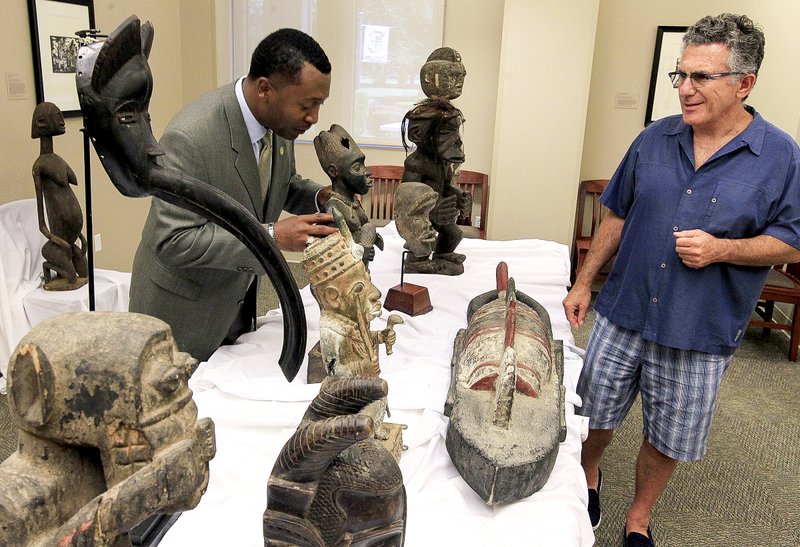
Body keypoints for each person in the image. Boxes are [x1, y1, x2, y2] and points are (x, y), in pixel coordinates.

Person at [562, 13, 800, 547]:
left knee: (669, 436)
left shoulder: (780, 156)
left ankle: (640, 517)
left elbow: (793, 239)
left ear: (744, 83)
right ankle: (590, 476)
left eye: (701, 78)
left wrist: (723, 250)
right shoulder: (654, 138)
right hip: (623, 312)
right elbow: (617, 214)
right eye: (681, 75)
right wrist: (583, 282)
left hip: (699, 327)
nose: (686, 90)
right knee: (594, 412)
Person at [129, 28, 337, 362]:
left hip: (234, 303)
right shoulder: (190, 136)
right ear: (265, 89)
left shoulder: (279, 123)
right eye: (307, 105)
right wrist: (271, 237)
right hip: (183, 318)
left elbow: (278, 183)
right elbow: (174, 240)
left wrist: (322, 198)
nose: (314, 118)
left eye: (320, 104)